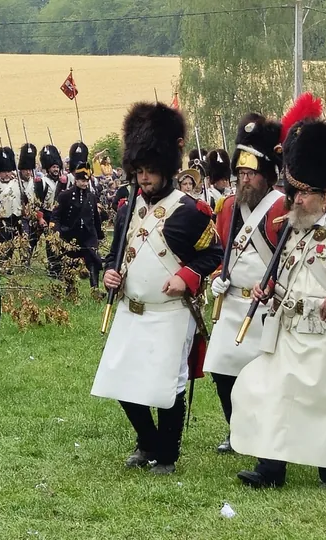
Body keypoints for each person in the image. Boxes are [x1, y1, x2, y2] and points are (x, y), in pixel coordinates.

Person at [230, 113, 326, 488]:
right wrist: (267, 291)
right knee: (277, 395)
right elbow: (284, 275)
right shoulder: (288, 228)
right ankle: (271, 468)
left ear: (325, 193)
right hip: (288, 329)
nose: (296, 199)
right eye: (293, 192)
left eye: (304, 193)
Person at [91, 102, 223, 475]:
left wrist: (187, 277)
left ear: (165, 168)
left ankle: (166, 455)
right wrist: (110, 275)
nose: (143, 178)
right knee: (121, 381)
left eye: (149, 171)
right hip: (131, 310)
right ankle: (147, 440)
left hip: (170, 313)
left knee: (167, 386)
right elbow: (116, 255)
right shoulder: (126, 208)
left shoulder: (190, 212)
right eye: (139, 171)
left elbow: (214, 253)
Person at [204, 112, 287, 453]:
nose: (244, 180)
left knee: (260, 377)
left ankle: (261, 430)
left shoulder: (280, 207)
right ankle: (235, 428)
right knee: (222, 373)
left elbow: (287, 258)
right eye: (240, 173)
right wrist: (214, 279)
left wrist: (273, 288)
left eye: (250, 173)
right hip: (231, 303)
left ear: (266, 175)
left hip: (265, 304)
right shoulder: (225, 207)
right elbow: (219, 252)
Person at [52, 160, 104, 291]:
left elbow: (95, 218)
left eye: (87, 181)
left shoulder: (91, 197)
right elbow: (56, 215)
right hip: (71, 234)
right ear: (76, 180)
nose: (85, 183)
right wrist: (57, 231)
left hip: (88, 234)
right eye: (82, 181)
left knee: (93, 259)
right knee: (70, 262)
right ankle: (70, 289)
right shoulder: (65, 196)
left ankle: (95, 289)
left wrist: (99, 234)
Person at [33, 144, 64, 276]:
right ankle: (52, 267)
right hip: (46, 213)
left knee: (57, 241)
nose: (56, 169)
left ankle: (56, 267)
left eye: (57, 167)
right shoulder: (42, 182)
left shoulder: (63, 181)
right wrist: (40, 218)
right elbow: (37, 202)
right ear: (48, 168)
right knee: (41, 240)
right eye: (53, 167)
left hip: (58, 214)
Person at [0, 147, 25, 258]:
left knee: (12, 243)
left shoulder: (18, 184)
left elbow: (25, 200)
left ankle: (8, 263)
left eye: (8, 171)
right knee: (0, 243)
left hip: (15, 218)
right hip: (0, 220)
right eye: (3, 171)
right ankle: (1, 262)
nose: (6, 174)